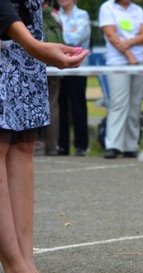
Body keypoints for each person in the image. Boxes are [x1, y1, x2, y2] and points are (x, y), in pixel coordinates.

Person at [1, 1, 87, 273]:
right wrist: (33, 45)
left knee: (23, 144)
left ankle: (26, 266)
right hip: (14, 32)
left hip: (24, 34)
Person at [98, 0, 143, 159]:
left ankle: (131, 145)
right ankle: (113, 145)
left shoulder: (138, 10)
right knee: (118, 103)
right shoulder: (107, 7)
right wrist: (129, 55)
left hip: (139, 62)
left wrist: (130, 42)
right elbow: (111, 35)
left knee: (135, 104)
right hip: (117, 62)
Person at [57, 0, 91, 157]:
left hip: (78, 69)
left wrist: (57, 31)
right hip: (57, 68)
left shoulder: (82, 15)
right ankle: (62, 145)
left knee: (78, 106)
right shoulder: (54, 15)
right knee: (60, 107)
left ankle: (81, 145)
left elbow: (73, 40)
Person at [38, 0, 64, 156]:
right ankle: (53, 146)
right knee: (53, 105)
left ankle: (37, 145)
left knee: (35, 104)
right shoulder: (56, 15)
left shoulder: (27, 13)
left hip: (36, 63)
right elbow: (63, 35)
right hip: (54, 63)